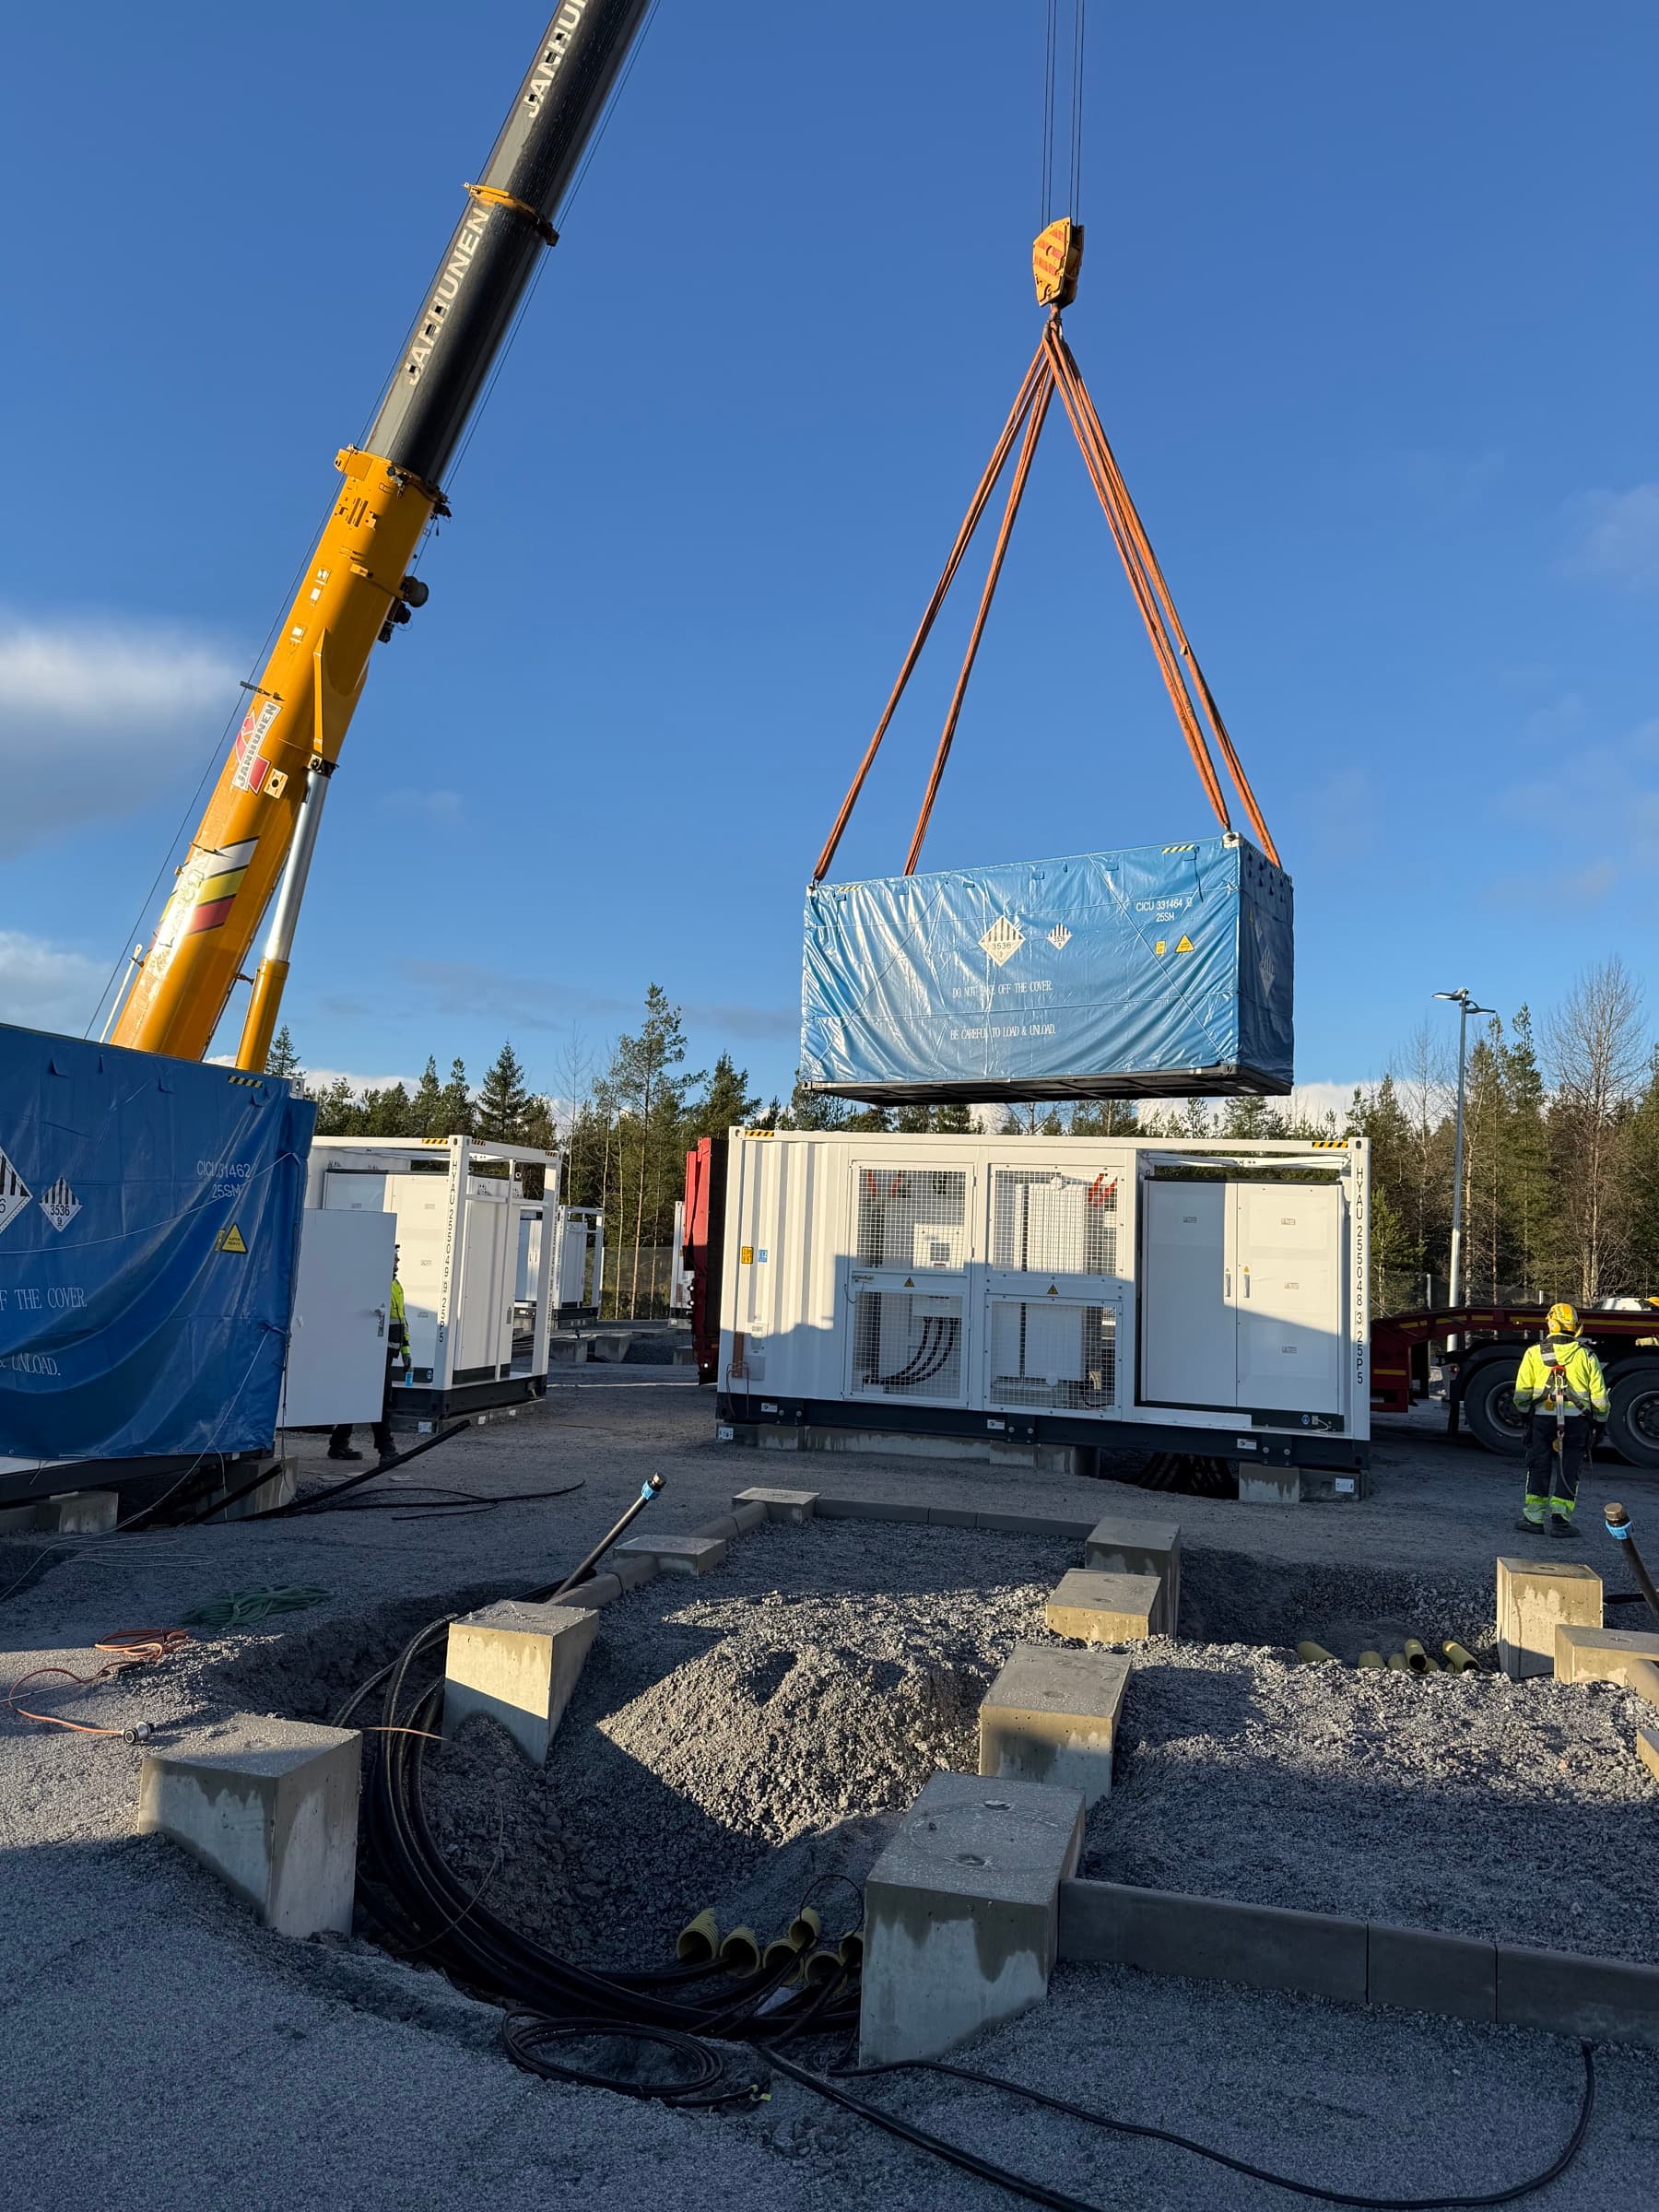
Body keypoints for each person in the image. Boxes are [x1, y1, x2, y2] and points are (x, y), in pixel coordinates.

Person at [1512, 1302, 1608, 1538]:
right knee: (1569, 1468)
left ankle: (1534, 1519)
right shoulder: (1587, 1355)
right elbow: (1599, 1398)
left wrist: (1525, 1414)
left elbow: (1521, 1395)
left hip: (1542, 1421)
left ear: (1551, 1323)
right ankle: (1561, 1521)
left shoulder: (1533, 1353)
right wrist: (1599, 1422)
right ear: (1575, 1327)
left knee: (1538, 1466)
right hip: (1577, 1423)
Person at [328, 1251, 411, 1463]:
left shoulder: (395, 1285)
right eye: (394, 1257)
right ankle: (387, 1449)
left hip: (385, 1352)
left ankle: (339, 1444)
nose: (398, 1261)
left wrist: (406, 1350)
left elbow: (402, 1319)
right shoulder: (375, 1284)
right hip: (373, 1352)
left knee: (361, 1396)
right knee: (380, 1400)